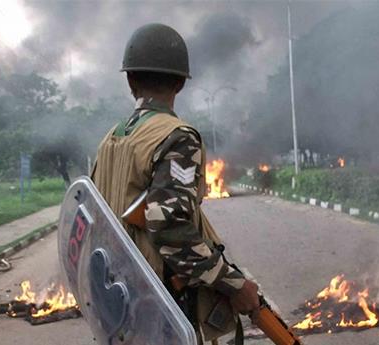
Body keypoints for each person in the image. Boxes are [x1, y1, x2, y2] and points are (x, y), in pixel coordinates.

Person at [91, 23, 259, 344]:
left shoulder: (110, 140)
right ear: (181, 83)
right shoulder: (177, 137)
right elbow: (169, 226)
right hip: (159, 305)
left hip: (117, 301)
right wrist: (233, 283)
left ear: (130, 80)